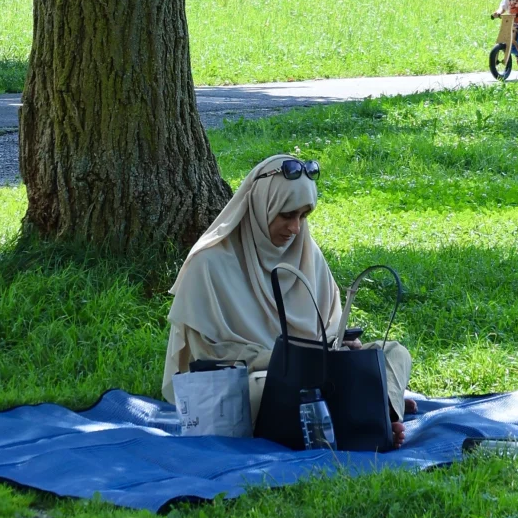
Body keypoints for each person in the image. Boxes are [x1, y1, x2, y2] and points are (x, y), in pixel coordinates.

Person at [162, 153, 412, 446]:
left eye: (303, 216)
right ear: (261, 206)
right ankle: (365, 411)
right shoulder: (208, 264)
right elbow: (207, 356)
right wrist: (290, 359)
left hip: (317, 370)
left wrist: (341, 346)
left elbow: (329, 328)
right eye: (287, 215)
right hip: (257, 379)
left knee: (393, 353)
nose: (295, 228)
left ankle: (384, 412)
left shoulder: (307, 254)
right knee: (263, 390)